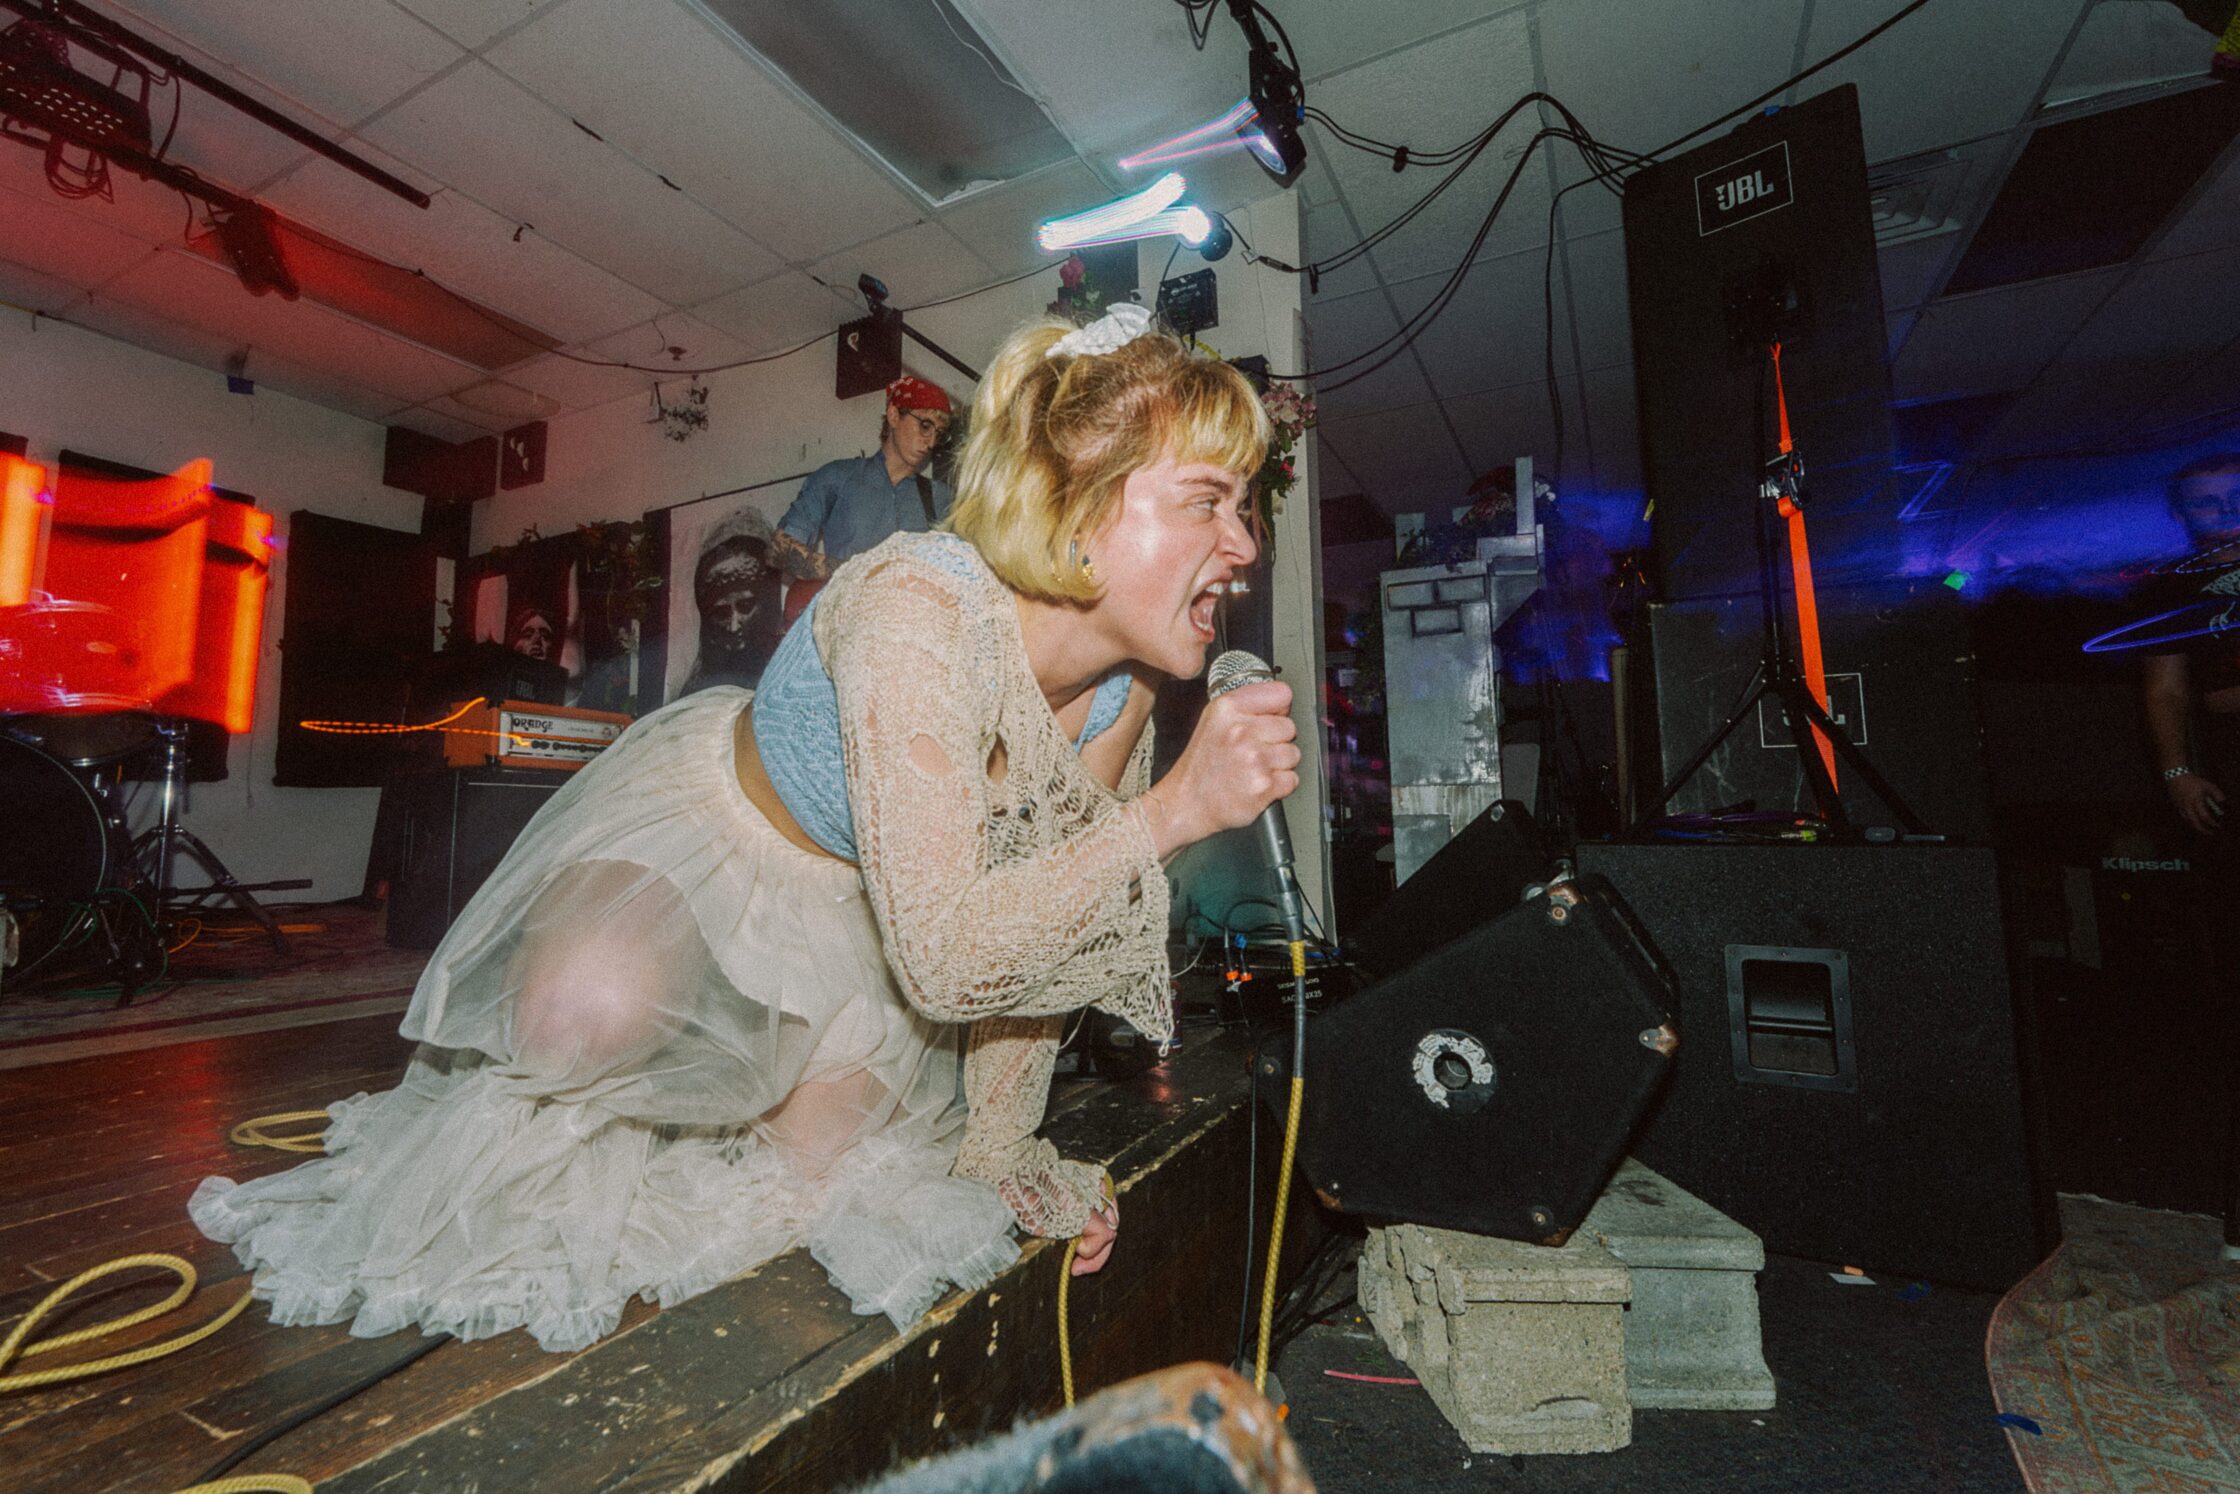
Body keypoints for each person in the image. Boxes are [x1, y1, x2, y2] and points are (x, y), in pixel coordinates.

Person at [190, 303, 1296, 1351]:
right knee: (579, 1026)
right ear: (1074, 497)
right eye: (1207, 501)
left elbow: (1031, 943)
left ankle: (760, 1083)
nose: (1243, 544)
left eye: (1243, 507)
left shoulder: (1124, 692)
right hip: (723, 840)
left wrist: (1003, 1148)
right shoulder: (918, 605)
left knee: (808, 1185)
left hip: (878, 922)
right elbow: (957, 952)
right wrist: (1172, 811)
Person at [772, 374, 954, 621]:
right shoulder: (837, 477)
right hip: (846, 622)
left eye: (939, 433)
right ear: (893, 416)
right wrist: (853, 570)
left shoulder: (941, 498)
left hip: (911, 628)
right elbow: (779, 549)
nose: (931, 441)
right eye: (925, 425)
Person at [2141, 454, 2240, 837]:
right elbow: (2165, 689)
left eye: (2237, 496)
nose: (2227, 510)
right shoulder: (2172, 590)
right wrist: (2177, 773)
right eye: (2207, 502)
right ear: (2181, 514)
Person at [680, 515, 784, 695]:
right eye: (721, 613)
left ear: (769, 603)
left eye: (745, 606)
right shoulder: (697, 691)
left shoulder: (789, 678)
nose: (734, 627)